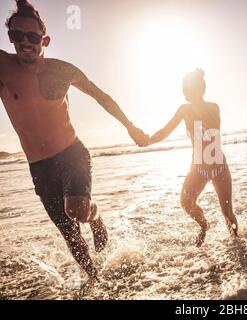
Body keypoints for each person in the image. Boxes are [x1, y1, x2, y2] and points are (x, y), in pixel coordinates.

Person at [0, 0, 148, 279]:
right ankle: (96, 282)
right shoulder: (3, 67)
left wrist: (130, 126)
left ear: (45, 40)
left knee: (78, 210)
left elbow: (99, 95)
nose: (24, 42)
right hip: (39, 167)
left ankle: (95, 215)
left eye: (32, 36)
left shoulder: (62, 70)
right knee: (71, 237)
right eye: (16, 35)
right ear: (10, 38)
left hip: (71, 153)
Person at [143, 69, 238, 246]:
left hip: (219, 167)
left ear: (197, 89)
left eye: (187, 89)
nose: (185, 93)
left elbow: (208, 128)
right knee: (186, 203)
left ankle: (237, 243)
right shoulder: (184, 110)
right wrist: (148, 140)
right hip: (199, 168)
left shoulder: (213, 107)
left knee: (227, 212)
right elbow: (166, 131)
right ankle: (204, 225)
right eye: (184, 90)